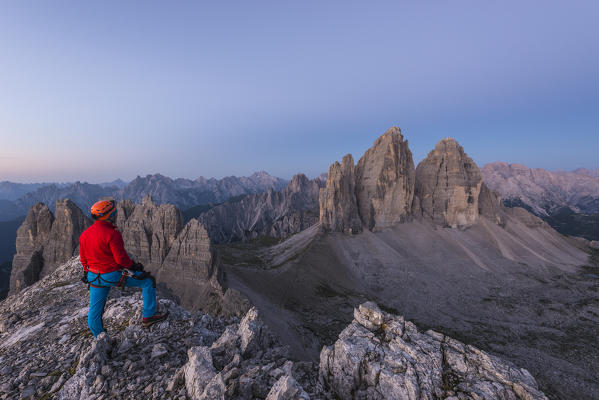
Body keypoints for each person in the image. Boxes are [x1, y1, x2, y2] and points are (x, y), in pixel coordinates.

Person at [79, 199, 167, 338]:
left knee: (95, 310)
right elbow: (121, 259)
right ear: (108, 215)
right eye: (113, 212)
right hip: (111, 275)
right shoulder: (112, 234)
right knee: (148, 281)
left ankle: (99, 337)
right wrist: (134, 266)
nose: (115, 214)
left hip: (93, 277)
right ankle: (148, 316)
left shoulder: (85, 234)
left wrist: (87, 272)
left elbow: (83, 259)